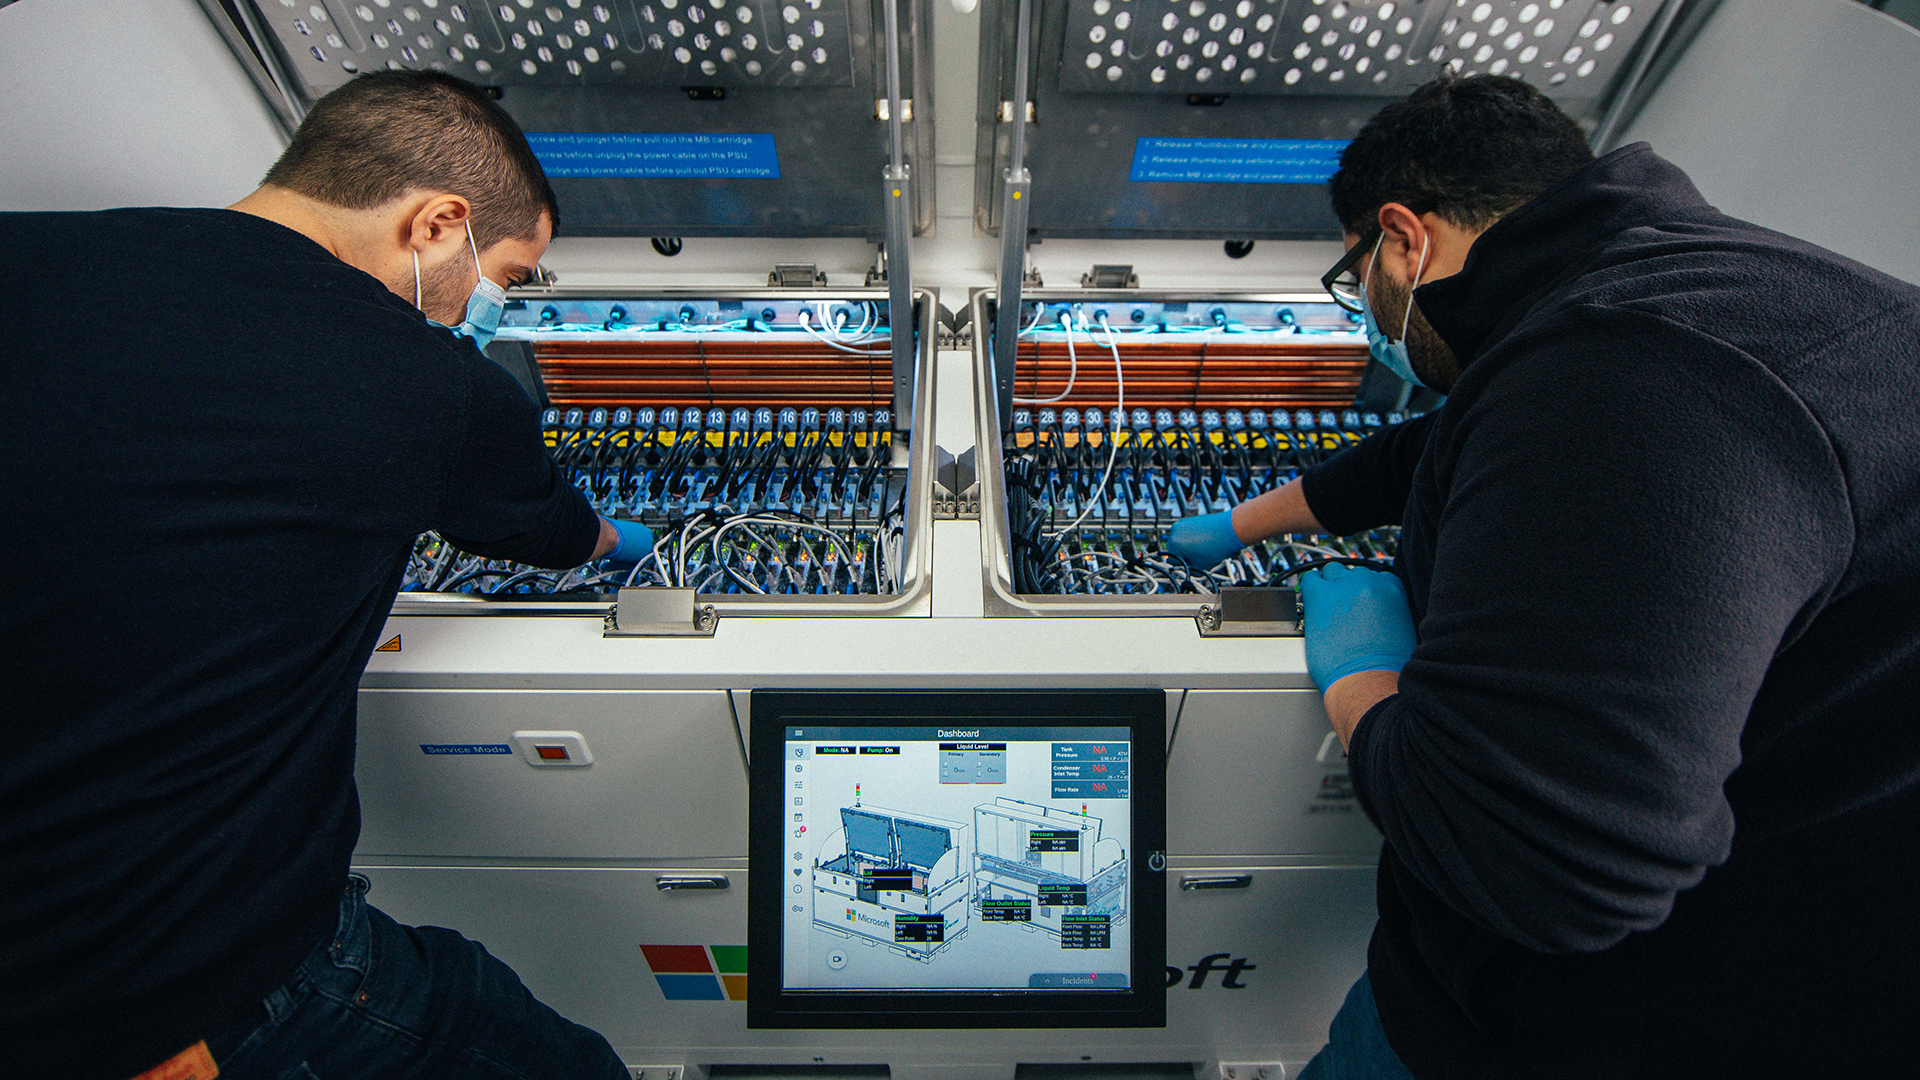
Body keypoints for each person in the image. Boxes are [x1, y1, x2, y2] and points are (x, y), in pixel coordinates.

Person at [1172, 75, 1920, 1078]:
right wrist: (1245, 521)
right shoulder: (1712, 290)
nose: (1371, 310)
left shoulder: (1623, 373)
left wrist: (1362, 675)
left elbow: (1532, 863)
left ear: (1404, 238)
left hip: (1599, 1032)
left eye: (1358, 282)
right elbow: (1440, 447)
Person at [0, 71, 653, 1079]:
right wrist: (626, 543)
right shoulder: (428, 386)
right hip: (178, 992)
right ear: (439, 223)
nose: (497, 307)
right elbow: (553, 529)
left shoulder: (28, 256)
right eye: (510, 279)